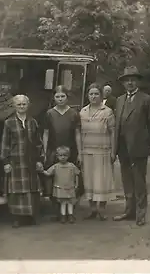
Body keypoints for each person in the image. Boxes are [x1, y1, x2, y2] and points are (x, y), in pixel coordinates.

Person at [112, 66, 150, 226]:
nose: (130, 83)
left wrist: (146, 142)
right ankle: (129, 211)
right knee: (126, 180)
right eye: (127, 80)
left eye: (133, 79)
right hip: (123, 147)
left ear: (137, 81)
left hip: (138, 147)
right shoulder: (119, 100)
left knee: (139, 180)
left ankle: (140, 213)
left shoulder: (146, 99)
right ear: (123, 83)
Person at [0, 94, 44, 228]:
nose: (21, 106)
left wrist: (40, 160)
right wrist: (6, 162)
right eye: (19, 104)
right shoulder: (9, 122)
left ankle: (30, 217)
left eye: (24, 104)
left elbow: (38, 143)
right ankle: (17, 218)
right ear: (14, 106)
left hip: (30, 160)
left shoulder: (33, 122)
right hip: (15, 160)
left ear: (28, 105)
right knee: (16, 191)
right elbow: (5, 144)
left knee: (31, 189)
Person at [39, 85, 82, 219]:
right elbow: (45, 133)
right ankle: (57, 209)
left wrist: (80, 152)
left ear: (67, 97)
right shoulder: (49, 114)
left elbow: (77, 133)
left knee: (69, 179)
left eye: (63, 96)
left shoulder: (74, 113)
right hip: (54, 150)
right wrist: (45, 151)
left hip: (70, 150)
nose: (60, 99)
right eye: (57, 96)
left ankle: (70, 209)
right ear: (54, 98)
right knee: (54, 179)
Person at [79, 83, 116, 221]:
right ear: (87, 96)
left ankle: (102, 210)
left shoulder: (107, 111)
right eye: (91, 94)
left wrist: (113, 150)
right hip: (87, 151)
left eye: (96, 94)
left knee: (102, 181)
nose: (93, 97)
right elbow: (79, 132)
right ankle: (93, 209)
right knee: (89, 181)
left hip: (103, 150)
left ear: (101, 96)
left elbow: (113, 132)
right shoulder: (82, 112)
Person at [42, 146, 80, 224]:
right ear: (57, 156)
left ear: (68, 156)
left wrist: (77, 184)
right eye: (61, 155)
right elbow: (48, 173)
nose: (63, 157)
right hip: (61, 188)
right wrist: (42, 170)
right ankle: (63, 215)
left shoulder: (71, 166)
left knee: (70, 202)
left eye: (65, 155)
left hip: (70, 187)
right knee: (63, 202)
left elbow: (77, 174)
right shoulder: (56, 166)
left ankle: (70, 215)